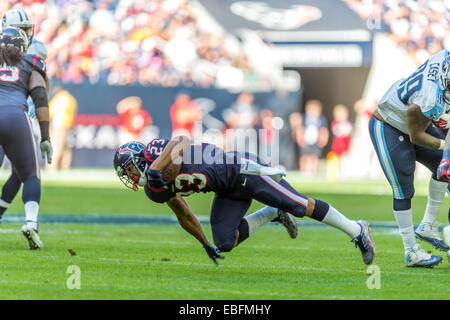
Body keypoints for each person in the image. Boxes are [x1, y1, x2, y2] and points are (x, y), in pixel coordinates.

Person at [113, 136, 375, 266]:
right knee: (225, 242)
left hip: (242, 170)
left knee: (300, 205)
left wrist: (157, 167)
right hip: (227, 191)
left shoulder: (155, 153)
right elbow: (182, 212)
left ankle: (357, 230)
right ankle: (274, 212)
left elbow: (182, 140)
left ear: (139, 159)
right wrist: (205, 243)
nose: (131, 177)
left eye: (129, 170)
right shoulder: (154, 190)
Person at [369, 49, 450, 268]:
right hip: (389, 125)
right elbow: (417, 135)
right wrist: (445, 146)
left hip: (418, 119)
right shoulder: (428, 97)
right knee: (404, 187)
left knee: (447, 171)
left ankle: (429, 224)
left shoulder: (445, 59)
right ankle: (411, 251)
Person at [0, 27, 52, 249]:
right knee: (30, 174)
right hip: (15, 117)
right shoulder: (31, 62)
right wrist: (45, 136)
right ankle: (31, 223)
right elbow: (39, 97)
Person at [48, 86, 78, 170]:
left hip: (58, 125)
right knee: (66, 147)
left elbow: (50, 112)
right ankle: (65, 167)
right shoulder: (70, 98)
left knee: (56, 147)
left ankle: (52, 167)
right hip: (68, 125)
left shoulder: (58, 99)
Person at [299, 100, 329, 175]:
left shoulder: (321, 119)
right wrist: (300, 138)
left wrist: (324, 139)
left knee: (314, 156)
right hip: (306, 140)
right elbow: (300, 129)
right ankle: (303, 170)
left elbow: (324, 130)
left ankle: (313, 170)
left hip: (316, 141)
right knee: (305, 155)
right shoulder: (304, 118)